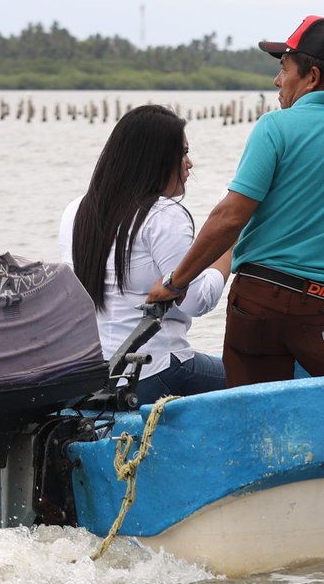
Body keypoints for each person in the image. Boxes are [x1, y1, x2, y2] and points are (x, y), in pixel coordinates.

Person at [147, 15, 324, 383]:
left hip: (259, 306)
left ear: (311, 77)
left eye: (284, 69)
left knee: (255, 422)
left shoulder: (274, 127)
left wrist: (175, 282)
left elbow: (231, 216)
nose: (278, 81)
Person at [60, 105, 230, 400]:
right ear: (157, 160)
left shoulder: (77, 210)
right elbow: (197, 301)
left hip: (92, 373)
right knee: (263, 376)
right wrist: (230, 244)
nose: (189, 164)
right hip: (154, 371)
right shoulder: (165, 215)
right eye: (183, 153)